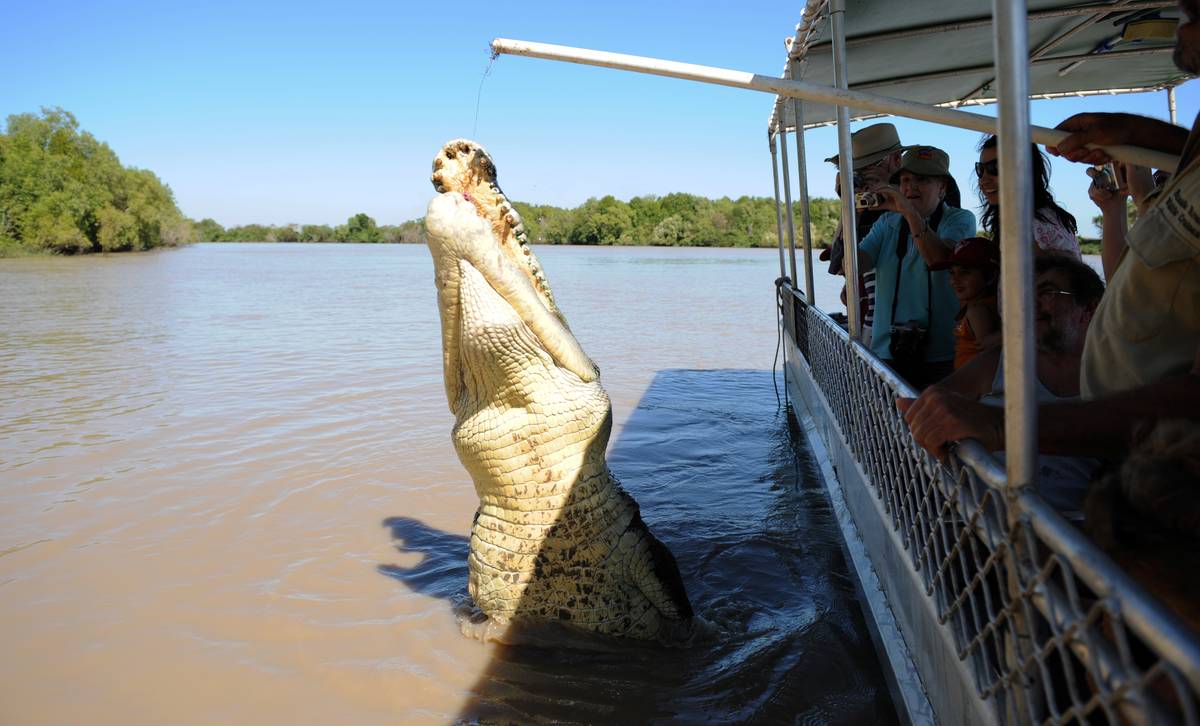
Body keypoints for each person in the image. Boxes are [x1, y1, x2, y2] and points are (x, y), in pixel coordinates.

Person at [898, 0, 1200, 459]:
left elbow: (1066, 305)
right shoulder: (1012, 227)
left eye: (1194, 10)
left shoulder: (1042, 228)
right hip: (1114, 425)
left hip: (1153, 452)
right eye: (981, 170)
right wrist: (1146, 135)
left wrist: (1007, 425)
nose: (1182, 22)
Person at [930, 256, 1104, 518]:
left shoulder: (1113, 379)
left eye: (1048, 293)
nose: (1031, 304)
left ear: (1090, 308)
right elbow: (930, 406)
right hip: (979, 523)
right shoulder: (997, 364)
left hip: (1073, 537)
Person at [855, 145, 976, 388]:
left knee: (932, 424)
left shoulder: (959, 220)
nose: (910, 186)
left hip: (942, 356)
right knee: (885, 424)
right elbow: (853, 266)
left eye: (922, 179)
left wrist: (908, 212)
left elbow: (939, 259)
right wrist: (852, 213)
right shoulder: (887, 222)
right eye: (906, 179)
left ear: (942, 188)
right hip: (887, 353)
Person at [822, 123, 910, 345]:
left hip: (911, 324)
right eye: (856, 171)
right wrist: (850, 208)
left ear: (896, 160)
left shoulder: (922, 193)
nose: (861, 178)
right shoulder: (862, 202)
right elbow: (839, 266)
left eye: (868, 167)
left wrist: (896, 199)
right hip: (873, 320)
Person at [976, 135, 1080, 259]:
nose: (983, 180)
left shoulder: (1036, 226)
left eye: (996, 167)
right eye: (981, 169)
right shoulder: (1028, 217)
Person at [929, 237, 1000, 369]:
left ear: (991, 276)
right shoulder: (984, 304)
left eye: (964, 272)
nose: (954, 280)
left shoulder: (977, 311)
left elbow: (987, 359)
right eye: (951, 273)